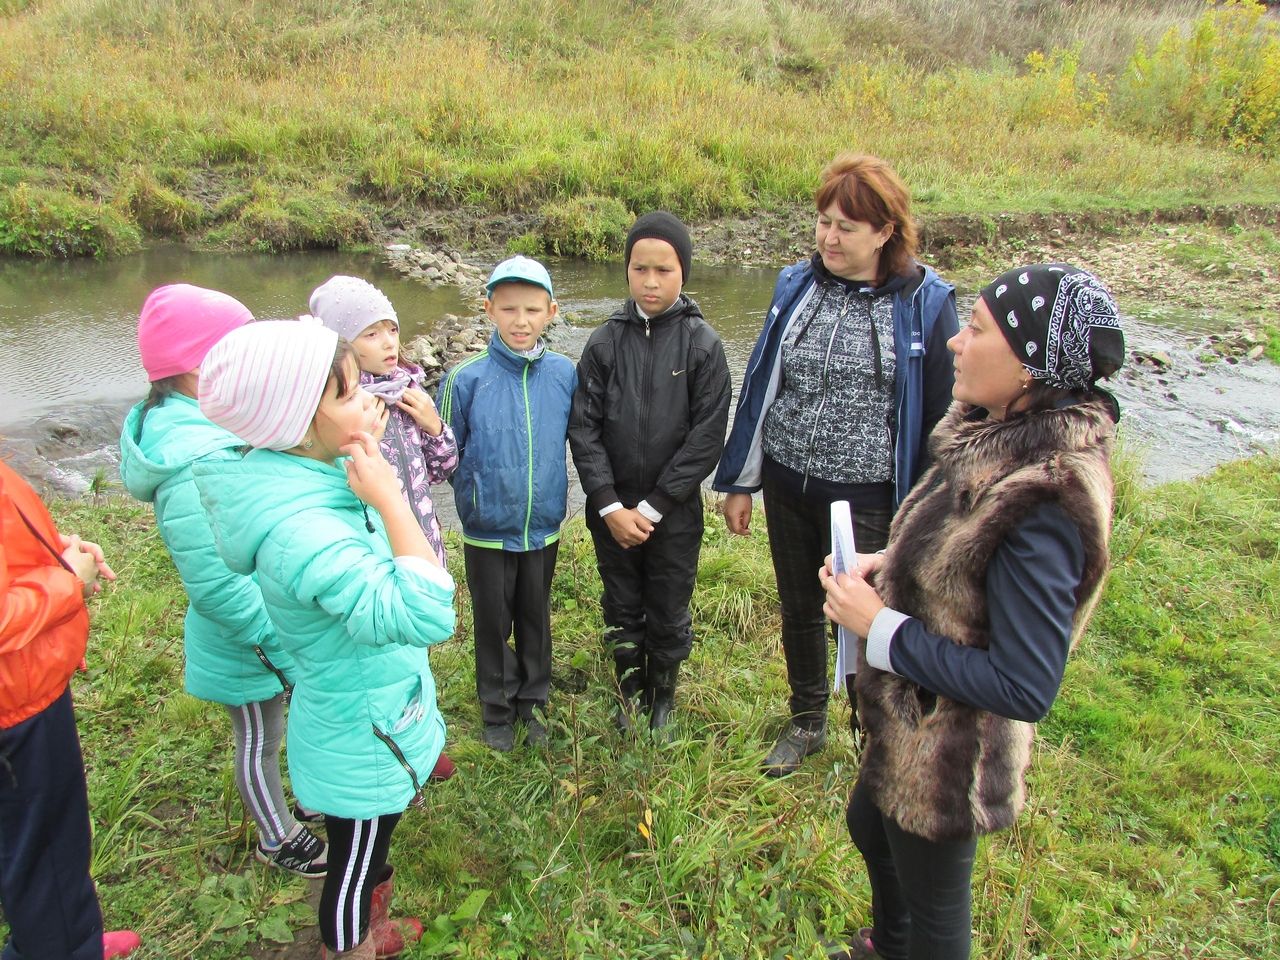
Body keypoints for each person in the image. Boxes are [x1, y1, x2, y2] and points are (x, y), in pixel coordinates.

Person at [820, 264, 1125, 960]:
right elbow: (956, 562)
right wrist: (881, 568)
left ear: (1029, 368)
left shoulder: (1045, 498)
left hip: (950, 756)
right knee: (870, 827)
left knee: (938, 919)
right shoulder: (985, 436)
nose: (955, 342)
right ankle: (887, 948)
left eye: (978, 330)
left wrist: (880, 627)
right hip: (906, 719)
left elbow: (1024, 686)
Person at [193, 320, 456, 960]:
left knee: (372, 842)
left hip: (367, 707)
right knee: (354, 860)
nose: (369, 399)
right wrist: (392, 499)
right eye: (348, 394)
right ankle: (349, 946)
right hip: (360, 736)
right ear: (298, 426)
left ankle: (372, 924)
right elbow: (428, 614)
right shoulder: (305, 532)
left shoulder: (312, 477)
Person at [712, 153, 959, 776]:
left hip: (873, 498)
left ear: (886, 232)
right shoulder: (796, 285)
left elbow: (939, 420)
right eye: (823, 221)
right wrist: (743, 480)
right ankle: (807, 719)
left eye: (847, 227)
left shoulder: (926, 305)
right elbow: (765, 381)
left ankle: (873, 726)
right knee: (798, 604)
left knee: (864, 613)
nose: (828, 237)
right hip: (789, 483)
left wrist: (927, 516)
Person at [118, 284, 327, 878]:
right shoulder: (191, 461)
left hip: (265, 621)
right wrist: (273, 632)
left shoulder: (208, 425)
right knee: (260, 736)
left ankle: (302, 800)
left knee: (280, 722)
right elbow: (213, 582)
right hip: (245, 635)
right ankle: (276, 835)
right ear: (192, 366)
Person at [569, 212, 732, 733]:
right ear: (627, 273)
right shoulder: (602, 344)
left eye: (664, 269)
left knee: (667, 600)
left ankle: (663, 694)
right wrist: (609, 504)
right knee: (621, 600)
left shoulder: (702, 344)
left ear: (683, 272)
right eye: (640, 269)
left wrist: (657, 503)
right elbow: (584, 429)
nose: (651, 281)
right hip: (613, 512)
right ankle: (628, 690)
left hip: (673, 511)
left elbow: (707, 436)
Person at [309, 275, 459, 777]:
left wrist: (435, 424)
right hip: (374, 547)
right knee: (385, 655)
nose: (389, 343)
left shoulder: (409, 392)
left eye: (391, 329)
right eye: (371, 334)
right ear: (340, 348)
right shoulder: (342, 411)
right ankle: (391, 747)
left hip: (418, 535)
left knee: (417, 650)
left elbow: (442, 468)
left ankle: (422, 736)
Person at [0, 459, 141, 960]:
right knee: (45, 851)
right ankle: (62, 945)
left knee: (44, 841)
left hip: (27, 689)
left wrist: (57, 552)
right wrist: (66, 582)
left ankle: (62, 936)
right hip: (14, 708)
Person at [436, 256, 576, 752]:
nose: (521, 321)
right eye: (509, 309)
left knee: (536, 616)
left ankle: (534, 701)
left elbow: (581, 439)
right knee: (492, 621)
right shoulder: (464, 379)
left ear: (551, 311)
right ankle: (497, 707)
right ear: (489, 308)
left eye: (533, 310)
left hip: (542, 525)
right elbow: (444, 452)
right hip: (485, 527)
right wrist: (476, 490)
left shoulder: (564, 374)